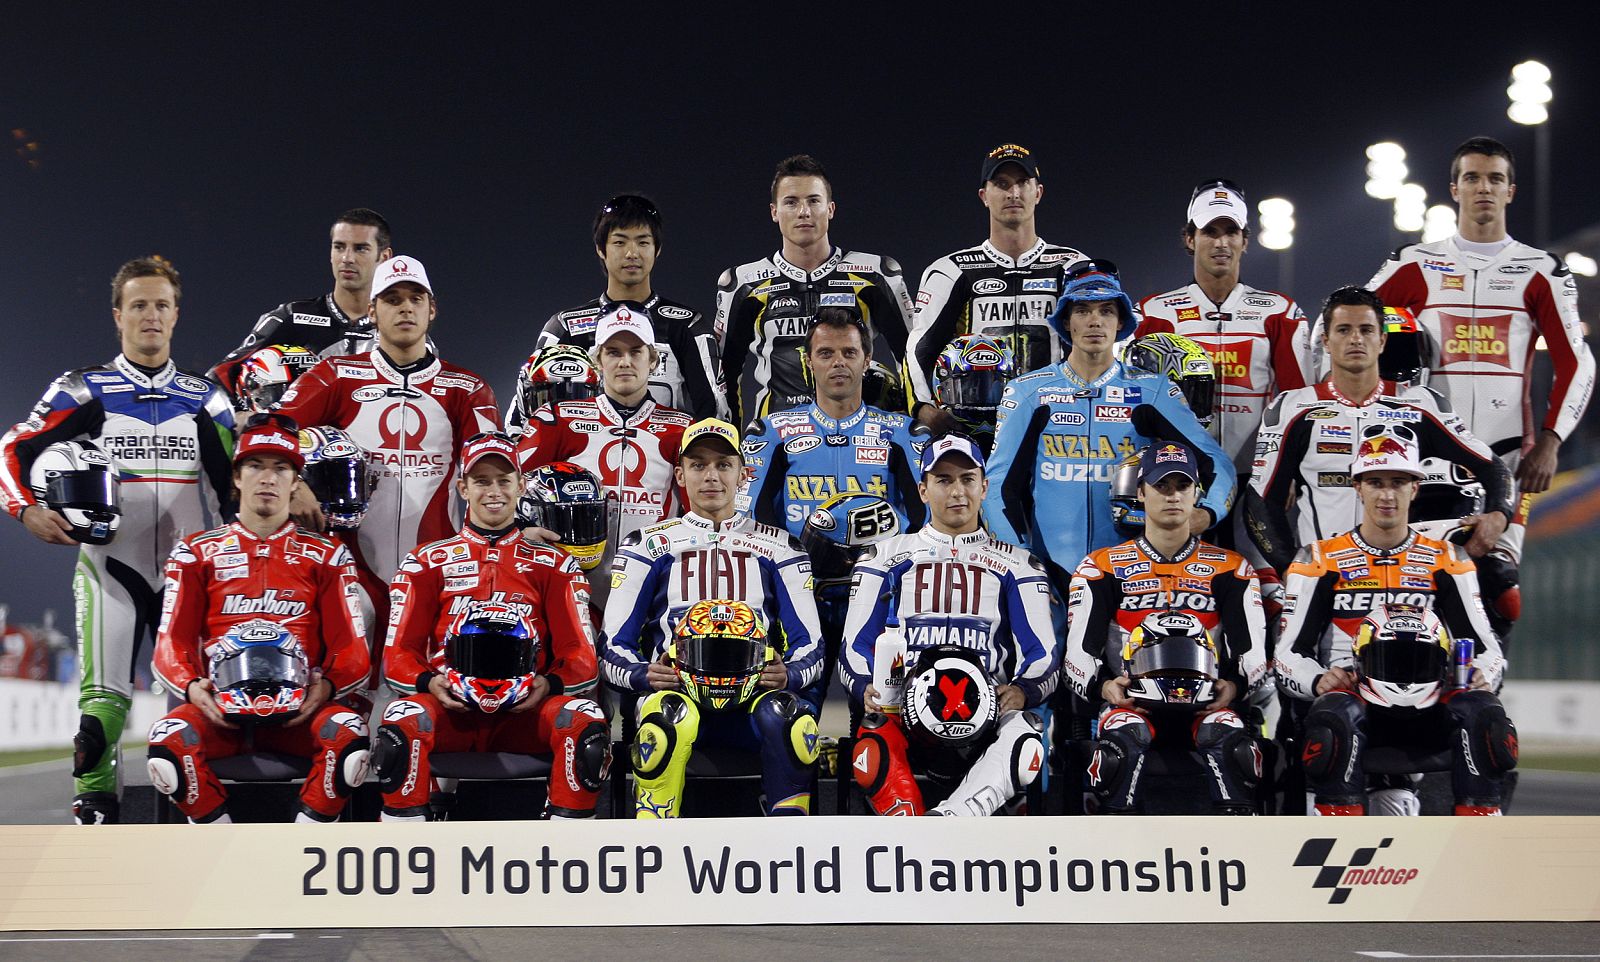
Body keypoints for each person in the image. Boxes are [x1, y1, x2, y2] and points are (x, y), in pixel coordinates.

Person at [0, 257, 236, 824]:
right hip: (110, 569)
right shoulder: (83, 389)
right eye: (138, 305)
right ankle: (97, 815)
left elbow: (239, 486)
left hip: (191, 577)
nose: (150, 316)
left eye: (160, 305)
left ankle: (200, 813)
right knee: (99, 710)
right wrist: (24, 510)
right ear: (118, 315)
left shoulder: (208, 400)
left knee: (200, 700)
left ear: (176, 315)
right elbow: (14, 447)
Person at [1367, 136, 1594, 638]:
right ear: (1455, 188)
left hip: (1508, 459)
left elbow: (1578, 362)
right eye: (1472, 177)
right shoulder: (1414, 261)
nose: (1483, 188)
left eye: (1495, 179)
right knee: (1413, 590)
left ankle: (1484, 710)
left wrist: (1552, 442)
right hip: (1422, 455)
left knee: (1499, 590)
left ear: (1511, 191)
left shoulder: (1542, 270)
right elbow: (1336, 328)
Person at [1275, 428, 1514, 815]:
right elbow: (1287, 654)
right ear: (1358, 488)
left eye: (1399, 483)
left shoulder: (1449, 559)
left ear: (1415, 489)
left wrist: (1483, 673)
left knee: (1486, 715)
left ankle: (1481, 838)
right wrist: (1317, 679)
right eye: (1376, 482)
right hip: (1351, 703)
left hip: (1428, 707)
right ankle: (1332, 842)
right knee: (1334, 720)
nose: (1387, 495)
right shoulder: (1318, 558)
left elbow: (1486, 647)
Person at [372, 433, 610, 820]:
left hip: (526, 713)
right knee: (401, 722)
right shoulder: (425, 562)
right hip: (453, 711)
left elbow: (580, 655)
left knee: (586, 721)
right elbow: (398, 653)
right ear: (463, 487)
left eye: (503, 480)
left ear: (520, 485)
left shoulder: (555, 564)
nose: (494, 491)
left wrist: (548, 685)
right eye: (482, 481)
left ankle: (570, 854)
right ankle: (406, 850)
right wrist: (428, 683)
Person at [146, 415, 371, 823]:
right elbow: (170, 644)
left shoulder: (328, 555)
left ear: (295, 481)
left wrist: (327, 689)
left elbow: (350, 648)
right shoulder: (195, 553)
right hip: (220, 711)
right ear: (236, 477)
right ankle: (221, 844)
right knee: (167, 744)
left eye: (281, 468)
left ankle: (303, 848)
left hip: (300, 712)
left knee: (351, 737)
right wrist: (193, 688)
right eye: (256, 466)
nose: (268, 478)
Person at [603, 419, 823, 816]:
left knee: (790, 718)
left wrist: (789, 673)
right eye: (698, 465)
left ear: (743, 473)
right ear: (679, 474)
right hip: (678, 696)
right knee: (669, 717)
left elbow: (813, 646)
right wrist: (642, 675)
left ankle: (791, 840)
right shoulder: (647, 545)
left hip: (753, 702)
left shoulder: (781, 547)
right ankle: (653, 839)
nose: (711, 476)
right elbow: (612, 646)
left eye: (723, 465)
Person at [274, 255, 499, 631]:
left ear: (432, 310)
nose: (406, 308)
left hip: (439, 572)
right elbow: (270, 433)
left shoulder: (469, 389)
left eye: (416, 298)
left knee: (425, 686)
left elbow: (495, 472)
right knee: (349, 682)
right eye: (392, 299)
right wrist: (294, 486)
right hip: (349, 569)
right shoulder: (336, 375)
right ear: (372, 311)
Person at [841, 434, 1058, 816]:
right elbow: (855, 646)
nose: (957, 491)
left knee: (1026, 737)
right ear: (923, 490)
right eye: (943, 480)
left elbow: (1042, 653)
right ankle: (907, 823)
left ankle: (953, 818)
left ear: (984, 486)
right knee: (871, 742)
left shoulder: (1020, 564)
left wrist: (1024, 690)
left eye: (966, 479)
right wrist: (864, 684)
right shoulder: (884, 555)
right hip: (902, 705)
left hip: (986, 711)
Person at [984, 261, 1233, 595]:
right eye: (1083, 310)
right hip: (1047, 576)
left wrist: (1207, 514)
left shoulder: (1153, 391)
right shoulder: (1028, 392)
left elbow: (1216, 463)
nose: (1095, 320)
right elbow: (999, 485)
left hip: (1135, 574)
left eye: (1106, 310)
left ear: (1121, 323)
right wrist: (1020, 561)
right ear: (1066, 322)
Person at [1248, 287, 1515, 579]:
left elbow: (1494, 468)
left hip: (1408, 580)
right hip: (1325, 580)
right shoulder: (1291, 407)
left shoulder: (1422, 404)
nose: (1356, 339)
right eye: (1344, 330)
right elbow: (1261, 499)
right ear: (1326, 341)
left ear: (1382, 340)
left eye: (1366, 330)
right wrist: (1291, 568)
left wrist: (1499, 515)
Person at [1062, 442, 1270, 814]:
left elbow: (1251, 650)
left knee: (1235, 745)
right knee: (1119, 746)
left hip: (1207, 704)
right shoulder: (1101, 566)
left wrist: (1235, 686)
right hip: (1133, 703)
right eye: (1162, 486)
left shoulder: (1232, 568)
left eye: (1182, 486)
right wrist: (1105, 687)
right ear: (1140, 493)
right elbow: (1079, 653)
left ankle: (1242, 849)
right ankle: (1116, 848)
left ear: (1196, 494)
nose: (1173, 496)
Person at [740, 309, 927, 697]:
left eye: (848, 352)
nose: (838, 362)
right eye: (825, 353)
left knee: (880, 713)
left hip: (883, 597)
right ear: (809, 363)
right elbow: (752, 518)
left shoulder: (903, 433)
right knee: (791, 716)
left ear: (867, 359)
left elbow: (922, 521)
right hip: (800, 596)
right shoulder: (771, 432)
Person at [1135, 180, 1311, 502]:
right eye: (1209, 232)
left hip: (1256, 478)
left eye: (1231, 232)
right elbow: (1133, 402)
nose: (1221, 243)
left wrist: (1289, 470)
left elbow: (1298, 403)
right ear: (1190, 238)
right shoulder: (1153, 314)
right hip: (1177, 478)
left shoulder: (1280, 313)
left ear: (1245, 241)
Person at [716, 154, 914, 426]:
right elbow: (723, 376)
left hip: (861, 433)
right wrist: (731, 442)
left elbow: (911, 357)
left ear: (830, 208)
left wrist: (918, 424)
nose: (804, 212)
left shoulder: (876, 275)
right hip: (775, 439)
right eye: (791, 202)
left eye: (813, 200)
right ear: (774, 211)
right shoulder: (744, 284)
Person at [515, 304, 692, 603]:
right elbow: (510, 484)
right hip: (569, 587)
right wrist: (522, 531)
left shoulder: (682, 428)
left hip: (654, 592)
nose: (625, 362)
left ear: (653, 360)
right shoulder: (556, 419)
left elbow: (699, 512)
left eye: (636, 351)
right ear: (597, 359)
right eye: (613, 352)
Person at [506, 194, 725, 430]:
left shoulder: (688, 325)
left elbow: (715, 415)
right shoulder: (565, 327)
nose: (632, 253)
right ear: (601, 249)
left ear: (657, 249)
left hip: (667, 462)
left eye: (643, 242)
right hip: (581, 463)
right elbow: (521, 416)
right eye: (620, 242)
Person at [905, 143, 1085, 420]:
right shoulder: (950, 270)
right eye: (1001, 183)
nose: (1013, 193)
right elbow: (920, 347)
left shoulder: (1073, 266)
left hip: (1060, 423)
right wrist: (923, 409)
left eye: (1022, 182)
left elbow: (1107, 342)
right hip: (977, 426)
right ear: (984, 196)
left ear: (1038, 193)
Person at [209, 208, 394, 397]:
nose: (347, 258)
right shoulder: (292, 317)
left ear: (384, 257)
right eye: (339, 247)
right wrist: (238, 416)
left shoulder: (400, 327)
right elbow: (219, 376)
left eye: (360, 248)